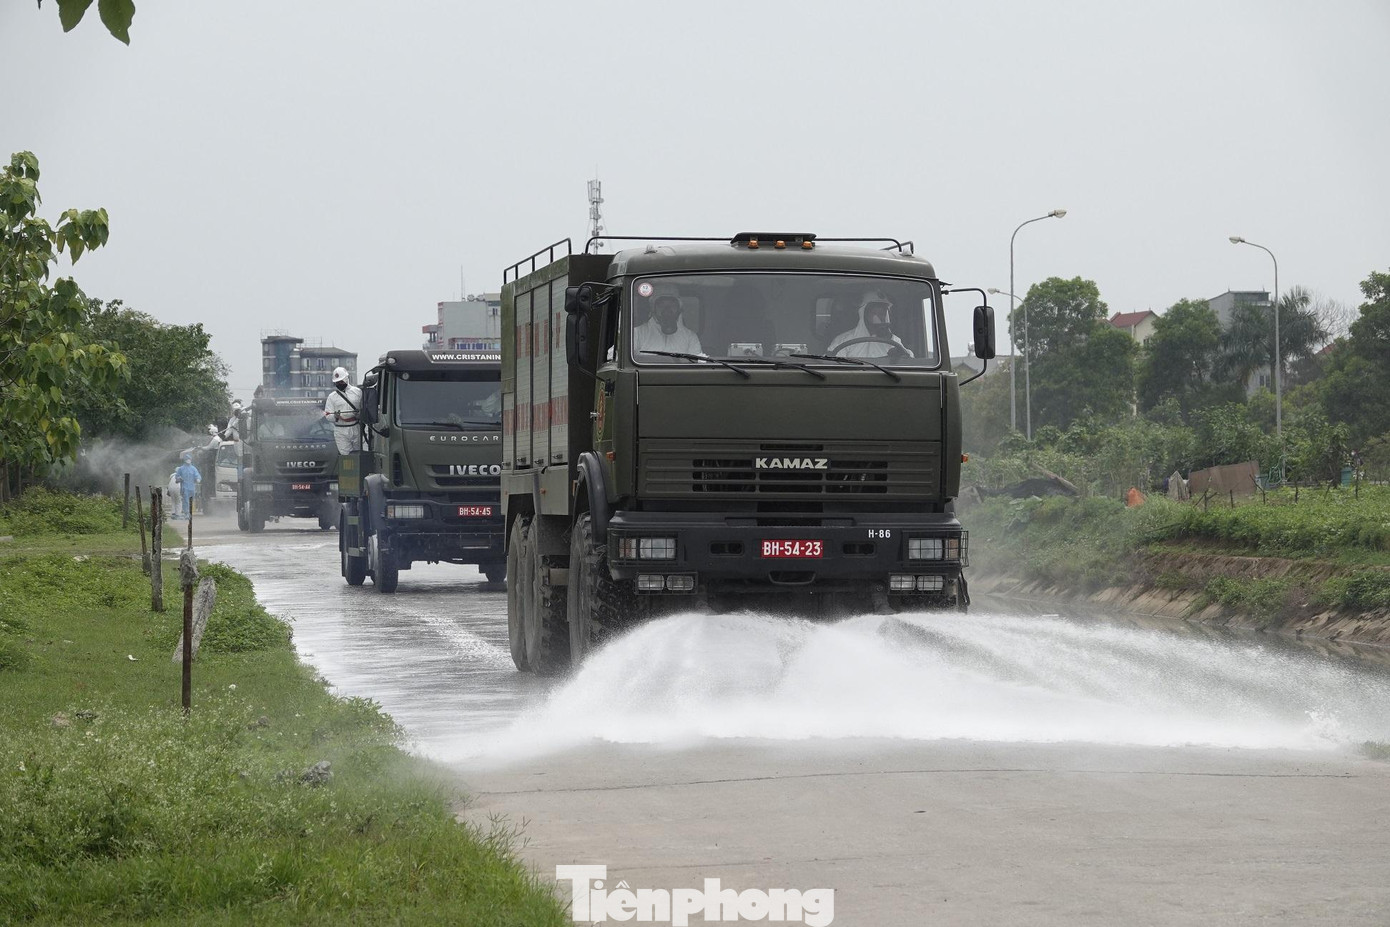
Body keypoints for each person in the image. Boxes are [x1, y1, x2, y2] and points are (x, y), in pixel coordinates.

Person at [827, 289, 913, 359]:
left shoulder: (893, 340)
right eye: (875, 312)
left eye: (883, 313)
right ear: (864, 314)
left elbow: (910, 359)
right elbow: (833, 366)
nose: (881, 317)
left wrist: (901, 354)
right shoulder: (843, 340)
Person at [632, 283, 703, 356]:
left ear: (679, 309)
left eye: (672, 304)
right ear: (654, 309)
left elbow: (694, 365)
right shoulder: (637, 334)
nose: (667, 310)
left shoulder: (690, 337)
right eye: (661, 304)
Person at [324, 366, 362, 455]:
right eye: (337, 383)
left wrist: (360, 414)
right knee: (346, 456)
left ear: (346, 379)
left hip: (356, 427)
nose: (339, 384)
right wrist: (335, 416)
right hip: (340, 430)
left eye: (341, 381)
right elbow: (328, 415)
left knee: (359, 454)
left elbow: (365, 408)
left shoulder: (358, 392)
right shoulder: (332, 397)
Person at [174, 452, 201, 520]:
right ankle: (186, 513)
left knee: (191, 500)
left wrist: (198, 478)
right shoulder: (181, 468)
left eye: (189, 459)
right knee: (185, 500)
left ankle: (190, 512)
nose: (188, 460)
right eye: (187, 459)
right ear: (185, 460)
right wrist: (179, 478)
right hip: (184, 487)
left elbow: (197, 474)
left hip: (192, 487)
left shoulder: (193, 468)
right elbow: (177, 477)